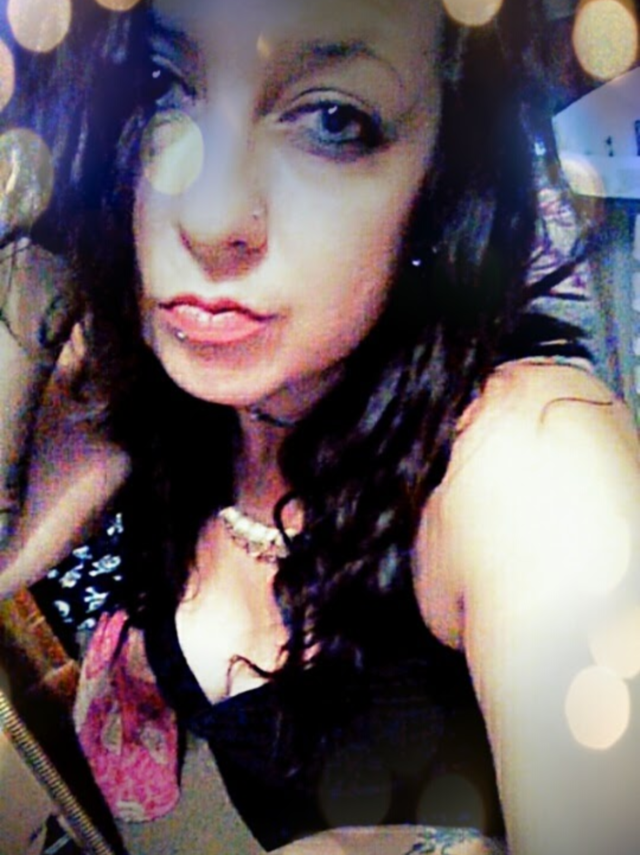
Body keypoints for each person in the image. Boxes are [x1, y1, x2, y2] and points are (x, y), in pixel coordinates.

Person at [1, 0, 639, 853]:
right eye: (162, 88)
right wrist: (42, 222)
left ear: (442, 174)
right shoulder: (161, 391)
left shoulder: (534, 462)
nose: (209, 214)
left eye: (334, 119)